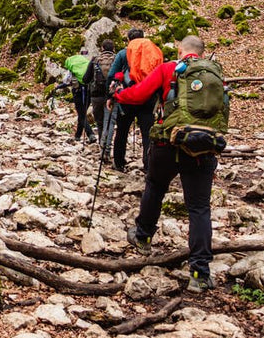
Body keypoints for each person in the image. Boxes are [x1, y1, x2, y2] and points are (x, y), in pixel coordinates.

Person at [117, 35, 219, 293]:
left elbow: (139, 95)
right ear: (201, 52)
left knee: (155, 186)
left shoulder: (168, 69)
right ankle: (200, 271)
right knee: (198, 207)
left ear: (180, 50)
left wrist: (119, 94)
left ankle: (143, 237)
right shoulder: (214, 74)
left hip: (168, 144)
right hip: (203, 146)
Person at [111, 30, 163, 172]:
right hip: (148, 98)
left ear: (129, 39)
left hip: (127, 97)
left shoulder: (123, 53)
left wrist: (111, 96)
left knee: (122, 131)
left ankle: (119, 162)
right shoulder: (153, 50)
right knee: (147, 133)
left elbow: (112, 74)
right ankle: (148, 164)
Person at [83, 39, 117, 152]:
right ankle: (106, 147)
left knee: (100, 122)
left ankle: (102, 146)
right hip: (111, 95)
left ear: (102, 48)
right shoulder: (116, 59)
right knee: (109, 122)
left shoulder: (95, 60)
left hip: (96, 95)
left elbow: (85, 78)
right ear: (113, 49)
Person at [58, 49, 97, 142]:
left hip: (78, 92)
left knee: (81, 113)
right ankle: (78, 135)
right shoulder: (86, 65)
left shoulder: (72, 69)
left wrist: (59, 86)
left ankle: (90, 134)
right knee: (82, 113)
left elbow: (66, 81)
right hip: (89, 90)